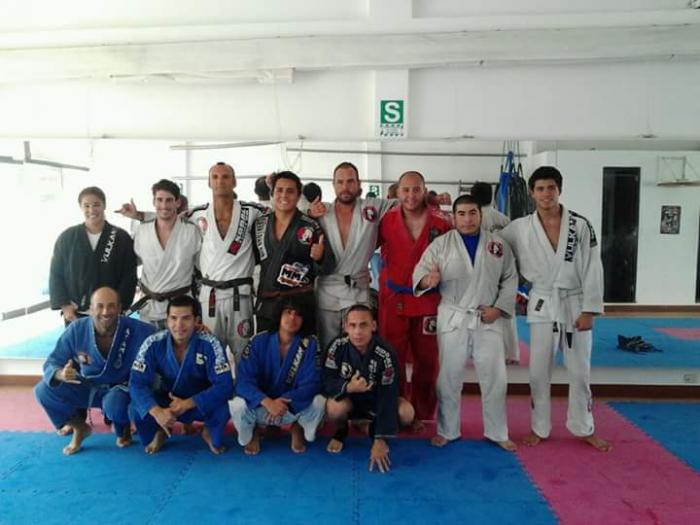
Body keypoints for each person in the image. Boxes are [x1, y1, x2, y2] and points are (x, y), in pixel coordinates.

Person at [500, 166, 611, 452]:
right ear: (531, 192)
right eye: (540, 189)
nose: (546, 194)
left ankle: (584, 427)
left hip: (575, 302)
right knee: (538, 372)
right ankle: (539, 427)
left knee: (580, 372)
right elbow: (494, 244)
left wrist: (590, 310)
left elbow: (593, 266)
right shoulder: (520, 227)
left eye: (551, 188)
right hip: (542, 302)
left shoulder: (580, 225)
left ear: (559, 190)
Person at [413, 195, 517, 451]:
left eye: (472, 213)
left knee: (495, 378)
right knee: (448, 378)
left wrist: (498, 308)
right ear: (453, 217)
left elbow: (510, 278)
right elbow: (420, 271)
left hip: (487, 316)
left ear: (481, 215)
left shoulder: (498, 245)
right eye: (461, 214)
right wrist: (427, 280)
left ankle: (497, 431)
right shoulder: (441, 244)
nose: (467, 219)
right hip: (454, 317)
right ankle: (447, 430)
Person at [34, 287, 155, 455]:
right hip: (88, 386)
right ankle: (80, 427)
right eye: (100, 306)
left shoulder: (138, 329)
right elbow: (53, 361)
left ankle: (123, 428)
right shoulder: (77, 329)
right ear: (90, 309)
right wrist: (60, 374)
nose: (105, 311)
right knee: (43, 390)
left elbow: (166, 341)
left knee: (115, 404)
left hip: (121, 389)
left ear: (120, 308)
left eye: (111, 306)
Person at [377, 171, 452, 430]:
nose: (411, 195)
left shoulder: (442, 222)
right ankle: (396, 409)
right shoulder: (386, 220)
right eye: (406, 190)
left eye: (416, 189)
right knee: (392, 358)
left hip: (427, 301)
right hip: (393, 299)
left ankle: (422, 412)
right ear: (397, 192)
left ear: (424, 190)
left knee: (427, 361)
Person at [129, 295, 234, 455]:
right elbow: (136, 383)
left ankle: (208, 430)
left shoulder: (211, 343)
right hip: (167, 403)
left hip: (199, 403)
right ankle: (160, 430)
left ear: (196, 320)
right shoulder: (153, 343)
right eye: (173, 318)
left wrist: (188, 403)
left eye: (186, 318)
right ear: (166, 320)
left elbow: (225, 385)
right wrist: (157, 412)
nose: (179, 325)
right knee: (136, 409)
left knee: (221, 411)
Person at [308, 162, 395, 349]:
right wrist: (308, 211)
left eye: (350, 181)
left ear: (358, 183)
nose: (345, 187)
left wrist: (432, 200)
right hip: (327, 292)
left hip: (358, 292)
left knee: (359, 349)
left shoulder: (372, 208)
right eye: (340, 182)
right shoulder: (321, 212)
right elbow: (293, 218)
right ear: (333, 185)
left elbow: (404, 203)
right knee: (327, 349)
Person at [323, 305, 414, 473]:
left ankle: (368, 427)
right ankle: (342, 431)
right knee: (334, 408)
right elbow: (326, 382)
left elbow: (388, 395)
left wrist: (380, 439)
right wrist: (348, 387)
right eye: (353, 325)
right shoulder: (337, 346)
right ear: (345, 327)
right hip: (349, 401)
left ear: (373, 326)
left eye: (363, 325)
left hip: (375, 403)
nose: (358, 331)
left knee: (407, 413)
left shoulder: (385, 353)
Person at [230, 298, 325, 455]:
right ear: (279, 315)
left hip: (291, 408)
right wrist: (267, 402)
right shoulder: (259, 341)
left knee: (319, 402)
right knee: (237, 404)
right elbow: (243, 381)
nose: (292, 318)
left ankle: (298, 427)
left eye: (298, 314)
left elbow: (313, 383)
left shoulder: (310, 343)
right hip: (261, 408)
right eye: (288, 312)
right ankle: (253, 430)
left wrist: (282, 402)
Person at [253, 171, 334, 333]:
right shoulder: (259, 224)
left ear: (298, 196)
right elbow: (251, 260)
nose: (284, 195)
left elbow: (328, 266)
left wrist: (320, 258)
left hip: (300, 305)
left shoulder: (311, 226)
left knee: (301, 348)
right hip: (268, 303)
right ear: (272, 194)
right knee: (266, 347)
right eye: (279, 190)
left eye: (290, 191)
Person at [50, 187, 137, 324]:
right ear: (80, 207)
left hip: (110, 313)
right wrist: (65, 305)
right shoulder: (67, 237)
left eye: (96, 205)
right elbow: (56, 273)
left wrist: (121, 305)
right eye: (86, 206)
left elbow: (129, 275)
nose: (91, 210)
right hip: (76, 312)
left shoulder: (120, 237)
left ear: (104, 206)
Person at [131, 179, 202, 328]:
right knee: (150, 343)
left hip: (181, 309)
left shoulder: (191, 231)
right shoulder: (142, 231)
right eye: (159, 200)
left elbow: (203, 268)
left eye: (169, 200)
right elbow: (131, 263)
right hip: (149, 309)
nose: (164, 205)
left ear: (177, 202)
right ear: (153, 202)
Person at [471, 181, 520, 364]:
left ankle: (478, 350)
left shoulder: (473, 219)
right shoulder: (503, 219)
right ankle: (511, 353)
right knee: (505, 310)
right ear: (491, 196)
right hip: (503, 268)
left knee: (478, 310)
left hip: (480, 269)